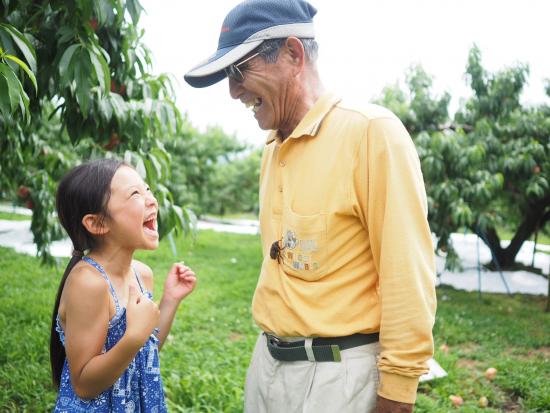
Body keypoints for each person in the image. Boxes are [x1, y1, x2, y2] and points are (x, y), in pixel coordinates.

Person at [185, 0, 437, 412]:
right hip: (266, 365)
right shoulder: (273, 147)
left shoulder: (371, 134)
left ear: (293, 54)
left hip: (338, 378)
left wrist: (398, 390)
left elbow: (407, 276)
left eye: (238, 71)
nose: (232, 91)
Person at [50, 159, 197, 411]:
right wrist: (134, 336)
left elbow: (144, 351)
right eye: (135, 194)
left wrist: (170, 300)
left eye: (147, 189)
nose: (152, 199)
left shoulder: (142, 274)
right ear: (97, 223)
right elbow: (84, 385)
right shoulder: (89, 283)